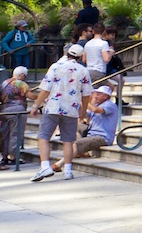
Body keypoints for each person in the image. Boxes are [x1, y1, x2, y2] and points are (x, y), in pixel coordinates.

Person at [29, 44, 89, 181]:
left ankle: (45, 166)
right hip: (71, 108)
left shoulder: (56, 66)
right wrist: (83, 111)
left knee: (44, 137)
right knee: (68, 141)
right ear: (80, 56)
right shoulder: (83, 70)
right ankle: (68, 170)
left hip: (53, 106)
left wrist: (35, 105)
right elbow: (86, 94)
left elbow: (45, 89)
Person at [42, 86, 118, 173]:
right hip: (91, 132)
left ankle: (59, 164)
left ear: (105, 96)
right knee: (71, 126)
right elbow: (83, 114)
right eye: (96, 94)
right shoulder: (97, 104)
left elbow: (95, 110)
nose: (95, 96)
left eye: (98, 94)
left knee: (77, 144)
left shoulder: (110, 105)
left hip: (103, 137)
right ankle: (82, 152)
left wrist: (83, 100)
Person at [0, 66, 29, 167]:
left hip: (3, 110)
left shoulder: (4, 83)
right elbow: (30, 95)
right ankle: (14, 156)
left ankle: (4, 156)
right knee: (16, 133)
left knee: (5, 134)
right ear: (22, 75)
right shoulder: (21, 84)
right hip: (17, 111)